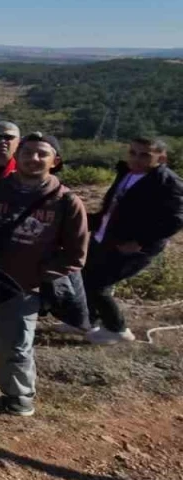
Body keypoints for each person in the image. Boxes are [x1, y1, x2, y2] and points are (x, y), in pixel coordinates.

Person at [0, 134, 88, 415]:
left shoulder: (66, 201)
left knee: (14, 342)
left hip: (25, 286)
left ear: (56, 161)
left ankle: (18, 395)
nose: (33, 158)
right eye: (27, 152)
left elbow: (76, 253)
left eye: (42, 153)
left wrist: (42, 275)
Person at [83, 137, 183, 344]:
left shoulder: (167, 182)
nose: (136, 158)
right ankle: (88, 322)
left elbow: (176, 219)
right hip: (106, 237)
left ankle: (117, 330)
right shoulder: (127, 173)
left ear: (161, 158)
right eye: (133, 153)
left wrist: (141, 242)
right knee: (85, 278)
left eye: (144, 155)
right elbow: (113, 207)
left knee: (96, 285)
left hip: (132, 247)